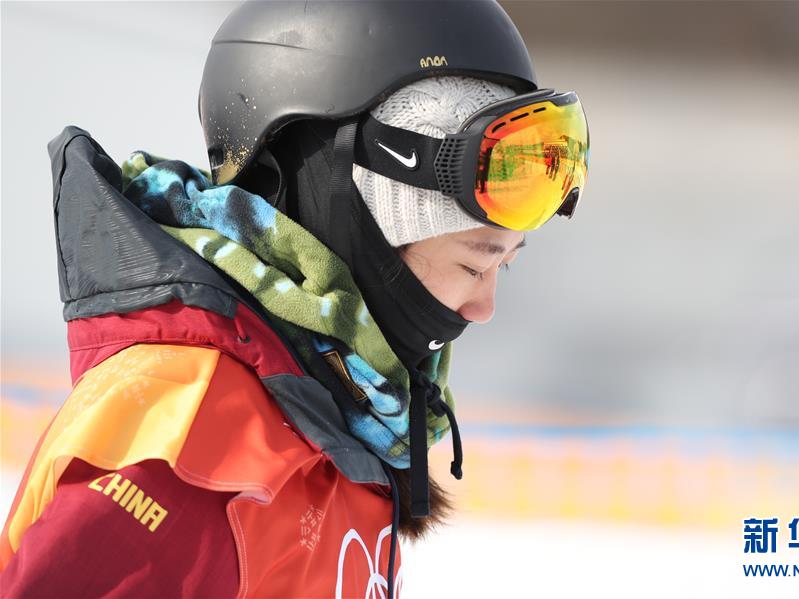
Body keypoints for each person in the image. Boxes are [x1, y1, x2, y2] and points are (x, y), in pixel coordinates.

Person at [0, 1, 589, 597]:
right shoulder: (185, 443)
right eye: (475, 262)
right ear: (354, 214)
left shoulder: (337, 416)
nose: (483, 307)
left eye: (504, 269)